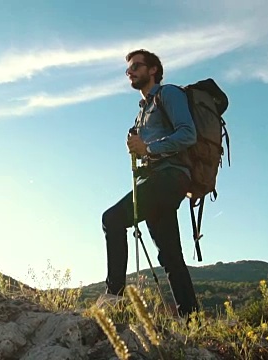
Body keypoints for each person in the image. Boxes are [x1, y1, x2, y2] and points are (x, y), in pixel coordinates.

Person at [99, 49, 200, 318]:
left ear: (153, 69)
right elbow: (145, 149)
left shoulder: (168, 94)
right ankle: (191, 317)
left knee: (112, 219)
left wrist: (148, 148)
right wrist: (136, 148)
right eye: (128, 69)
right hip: (155, 178)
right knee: (170, 255)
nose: (130, 72)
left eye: (136, 67)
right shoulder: (142, 111)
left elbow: (188, 134)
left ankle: (114, 298)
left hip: (169, 176)